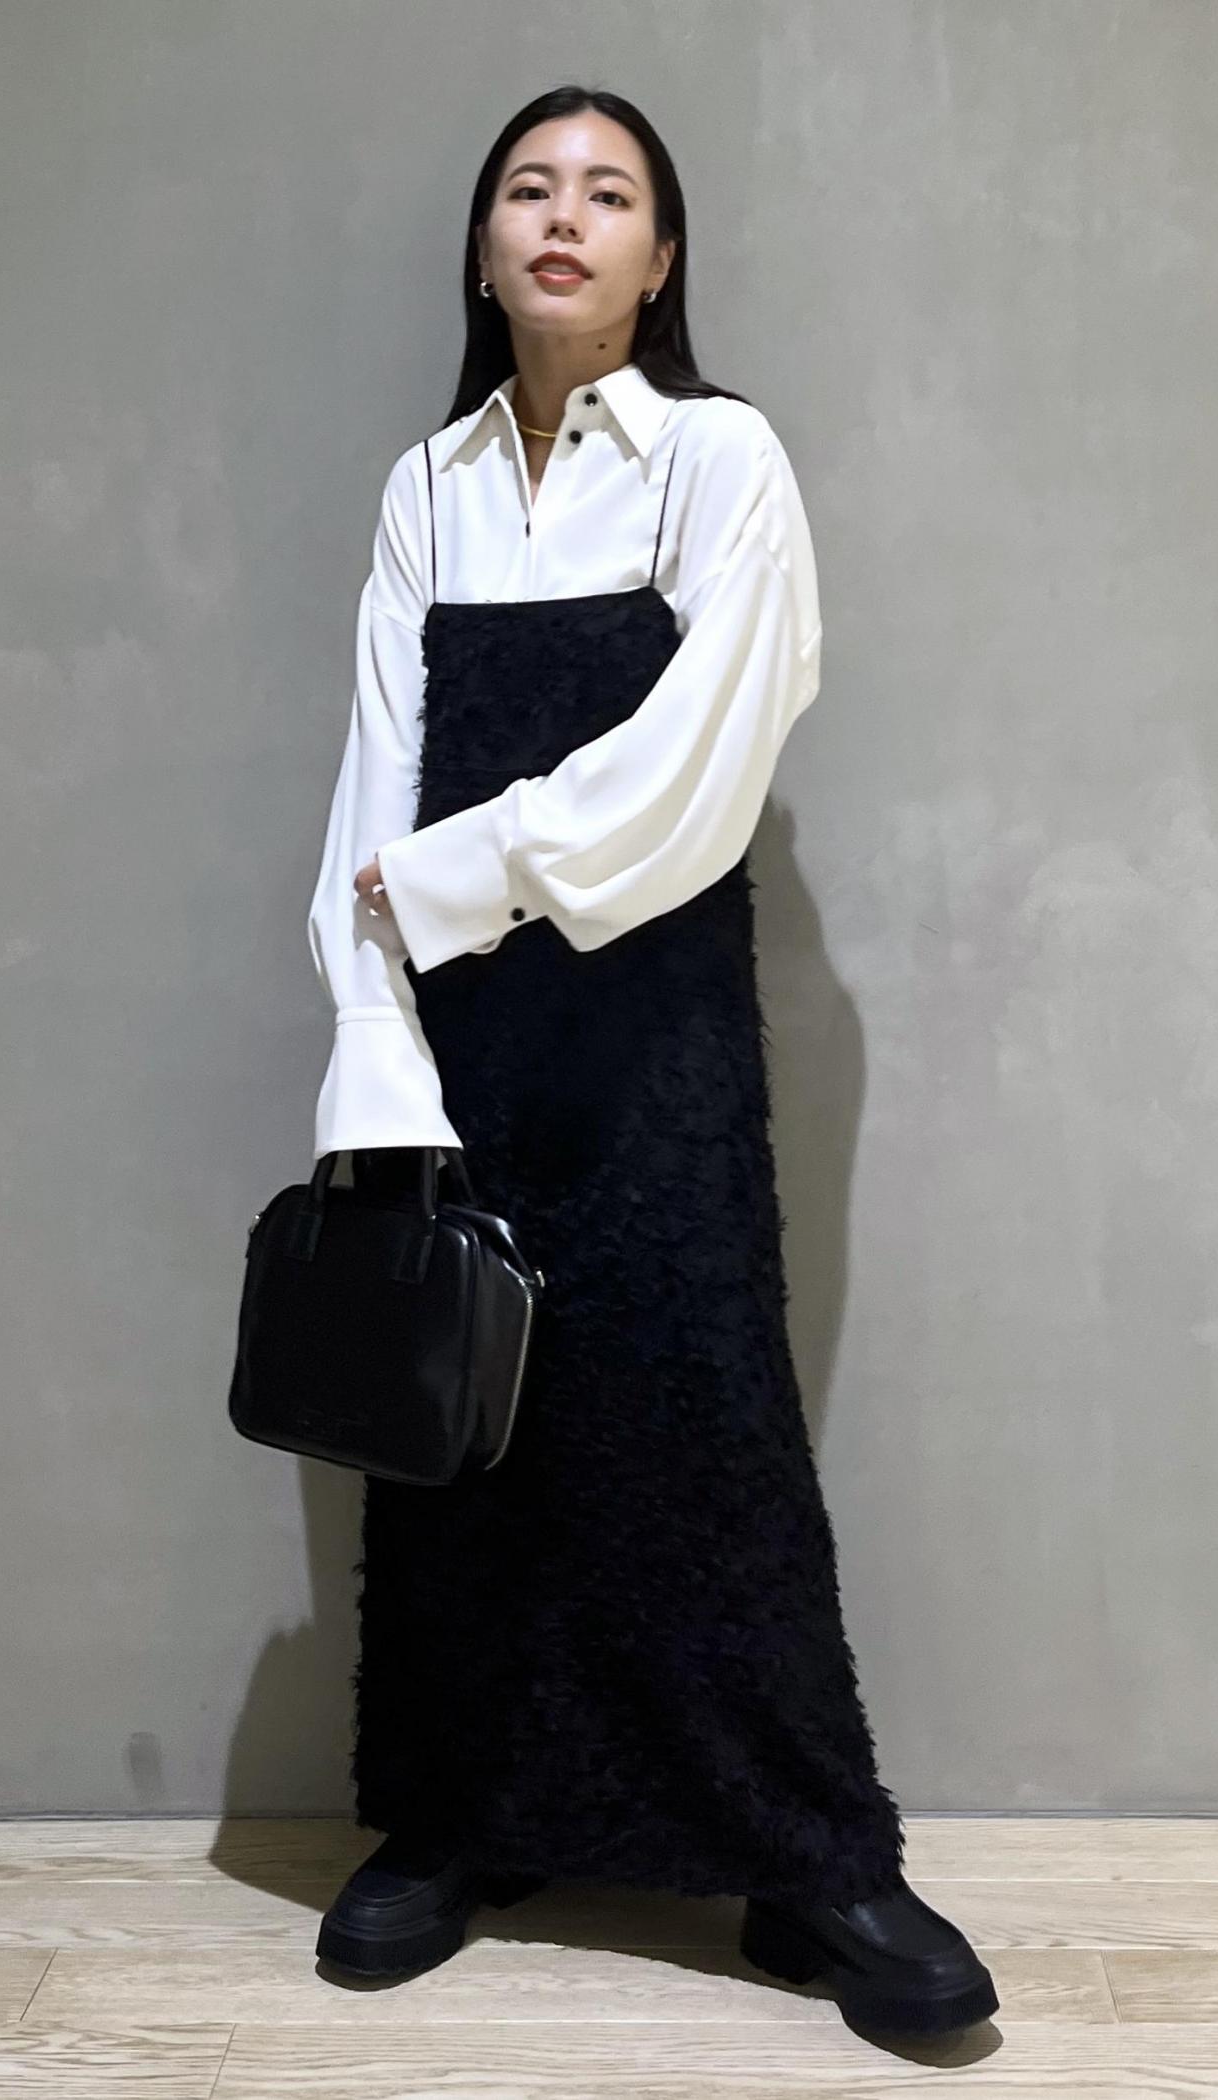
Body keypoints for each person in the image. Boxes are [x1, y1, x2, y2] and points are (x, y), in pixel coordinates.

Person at [305, 85, 998, 2043]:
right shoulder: (424, 489)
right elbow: (366, 779)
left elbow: (702, 764)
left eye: (609, 194)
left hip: (654, 1030)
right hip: (460, 1026)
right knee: (464, 1433)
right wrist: (372, 1035)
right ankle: (460, 1815)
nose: (565, 215)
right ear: (482, 246)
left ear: (660, 257)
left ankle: (809, 1859)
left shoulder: (718, 456)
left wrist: (457, 875)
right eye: (530, 187)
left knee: (701, 1427)